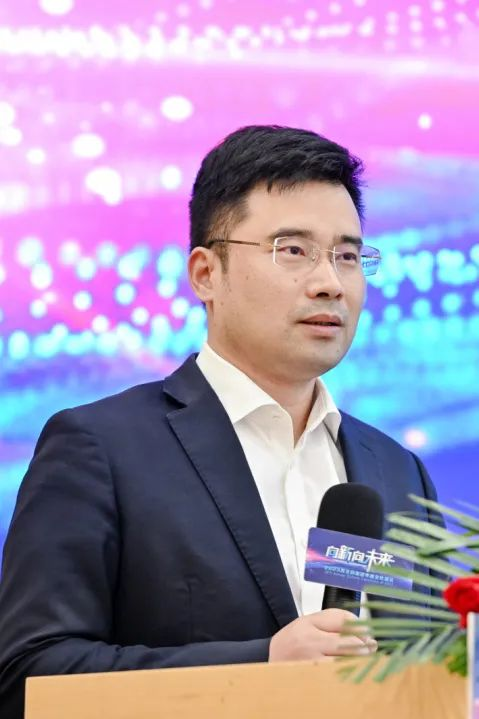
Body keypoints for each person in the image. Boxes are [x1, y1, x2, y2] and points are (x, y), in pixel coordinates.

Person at [0, 125, 438, 717]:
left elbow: (429, 673)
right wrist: (263, 666)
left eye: (348, 256)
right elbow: (28, 676)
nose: (329, 283)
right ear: (206, 274)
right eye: (293, 251)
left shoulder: (399, 472)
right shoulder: (100, 449)